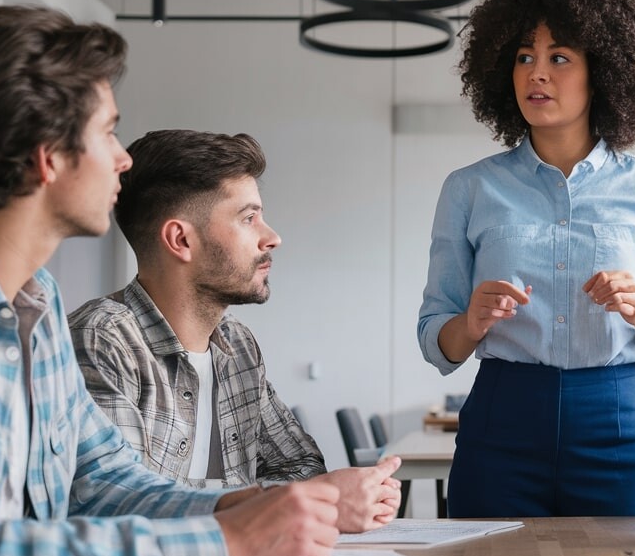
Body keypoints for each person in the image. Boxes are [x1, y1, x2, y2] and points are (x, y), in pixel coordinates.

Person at [0, 6, 339, 556]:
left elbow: (105, 480)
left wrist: (252, 508)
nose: (124, 161)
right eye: (108, 133)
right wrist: (222, 545)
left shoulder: (37, 304)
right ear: (48, 156)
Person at [417, 0, 635, 518]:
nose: (535, 74)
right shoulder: (469, 188)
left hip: (614, 419)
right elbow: (436, 340)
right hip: (500, 417)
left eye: (559, 58)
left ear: (604, 72)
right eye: (524, 57)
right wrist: (470, 323)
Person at [68, 129, 400, 532]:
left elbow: (302, 466)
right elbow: (117, 506)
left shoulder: (238, 346)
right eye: (248, 218)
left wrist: (323, 495)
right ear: (181, 240)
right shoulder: (103, 338)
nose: (272, 237)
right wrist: (306, 502)